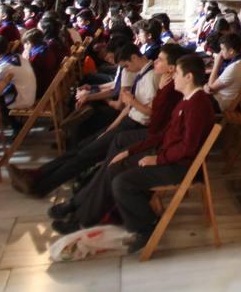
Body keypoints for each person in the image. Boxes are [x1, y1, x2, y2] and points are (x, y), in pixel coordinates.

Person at [47, 44, 186, 233]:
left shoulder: (173, 88)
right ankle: (78, 203)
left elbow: (159, 123)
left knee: (114, 168)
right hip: (154, 136)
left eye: (160, 59)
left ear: (173, 69)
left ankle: (83, 218)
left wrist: (133, 104)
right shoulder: (165, 82)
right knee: (111, 159)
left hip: (158, 143)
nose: (155, 61)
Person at [7, 44, 157, 198]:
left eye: (126, 66)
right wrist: (112, 126)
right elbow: (129, 108)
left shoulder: (151, 76)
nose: (127, 70)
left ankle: (41, 186)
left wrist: (130, 101)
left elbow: (150, 112)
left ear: (134, 58)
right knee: (79, 148)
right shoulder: (142, 74)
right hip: (127, 122)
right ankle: (36, 174)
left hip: (134, 127)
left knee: (85, 155)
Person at [107, 54, 216, 254]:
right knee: (117, 167)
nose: (173, 77)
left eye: (177, 74)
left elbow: (188, 148)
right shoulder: (187, 100)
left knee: (122, 182)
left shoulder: (198, 104)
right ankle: (140, 215)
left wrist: (157, 159)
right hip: (170, 159)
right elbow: (163, 133)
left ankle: (146, 227)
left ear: (189, 77)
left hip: (181, 167)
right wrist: (130, 151)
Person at [0, 36, 37, 114]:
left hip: (21, 100)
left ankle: (4, 121)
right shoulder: (19, 57)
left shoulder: (5, 66)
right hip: (28, 95)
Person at [205, 33, 241, 112]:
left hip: (220, 102)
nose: (220, 53)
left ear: (231, 51)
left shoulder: (234, 67)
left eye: (222, 49)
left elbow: (210, 88)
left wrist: (216, 64)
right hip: (221, 96)